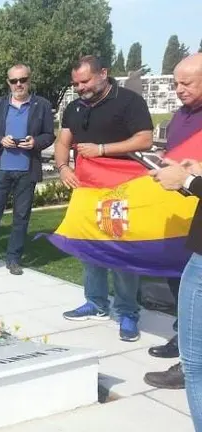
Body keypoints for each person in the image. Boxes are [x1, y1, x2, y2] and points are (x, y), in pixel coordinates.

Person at [56, 55, 154, 342]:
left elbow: (145, 139)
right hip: (87, 188)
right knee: (90, 248)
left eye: (84, 81)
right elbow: (63, 141)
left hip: (122, 189)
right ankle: (96, 302)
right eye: (75, 83)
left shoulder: (128, 102)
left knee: (120, 251)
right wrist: (63, 168)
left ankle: (127, 311)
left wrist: (101, 149)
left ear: (103, 74)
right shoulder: (74, 107)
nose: (80, 87)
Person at [144, 53, 202, 391]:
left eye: (187, 83)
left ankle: (188, 361)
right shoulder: (181, 115)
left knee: (196, 362)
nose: (179, 89)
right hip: (189, 217)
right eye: (175, 83)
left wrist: (187, 180)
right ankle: (185, 347)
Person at [0, 64, 56, 275]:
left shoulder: (41, 105)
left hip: (26, 170)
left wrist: (35, 142)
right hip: (1, 170)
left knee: (21, 217)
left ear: (29, 80)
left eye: (22, 80)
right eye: (14, 81)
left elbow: (49, 135)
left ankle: (13, 259)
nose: (19, 84)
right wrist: (0, 140)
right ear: (8, 83)